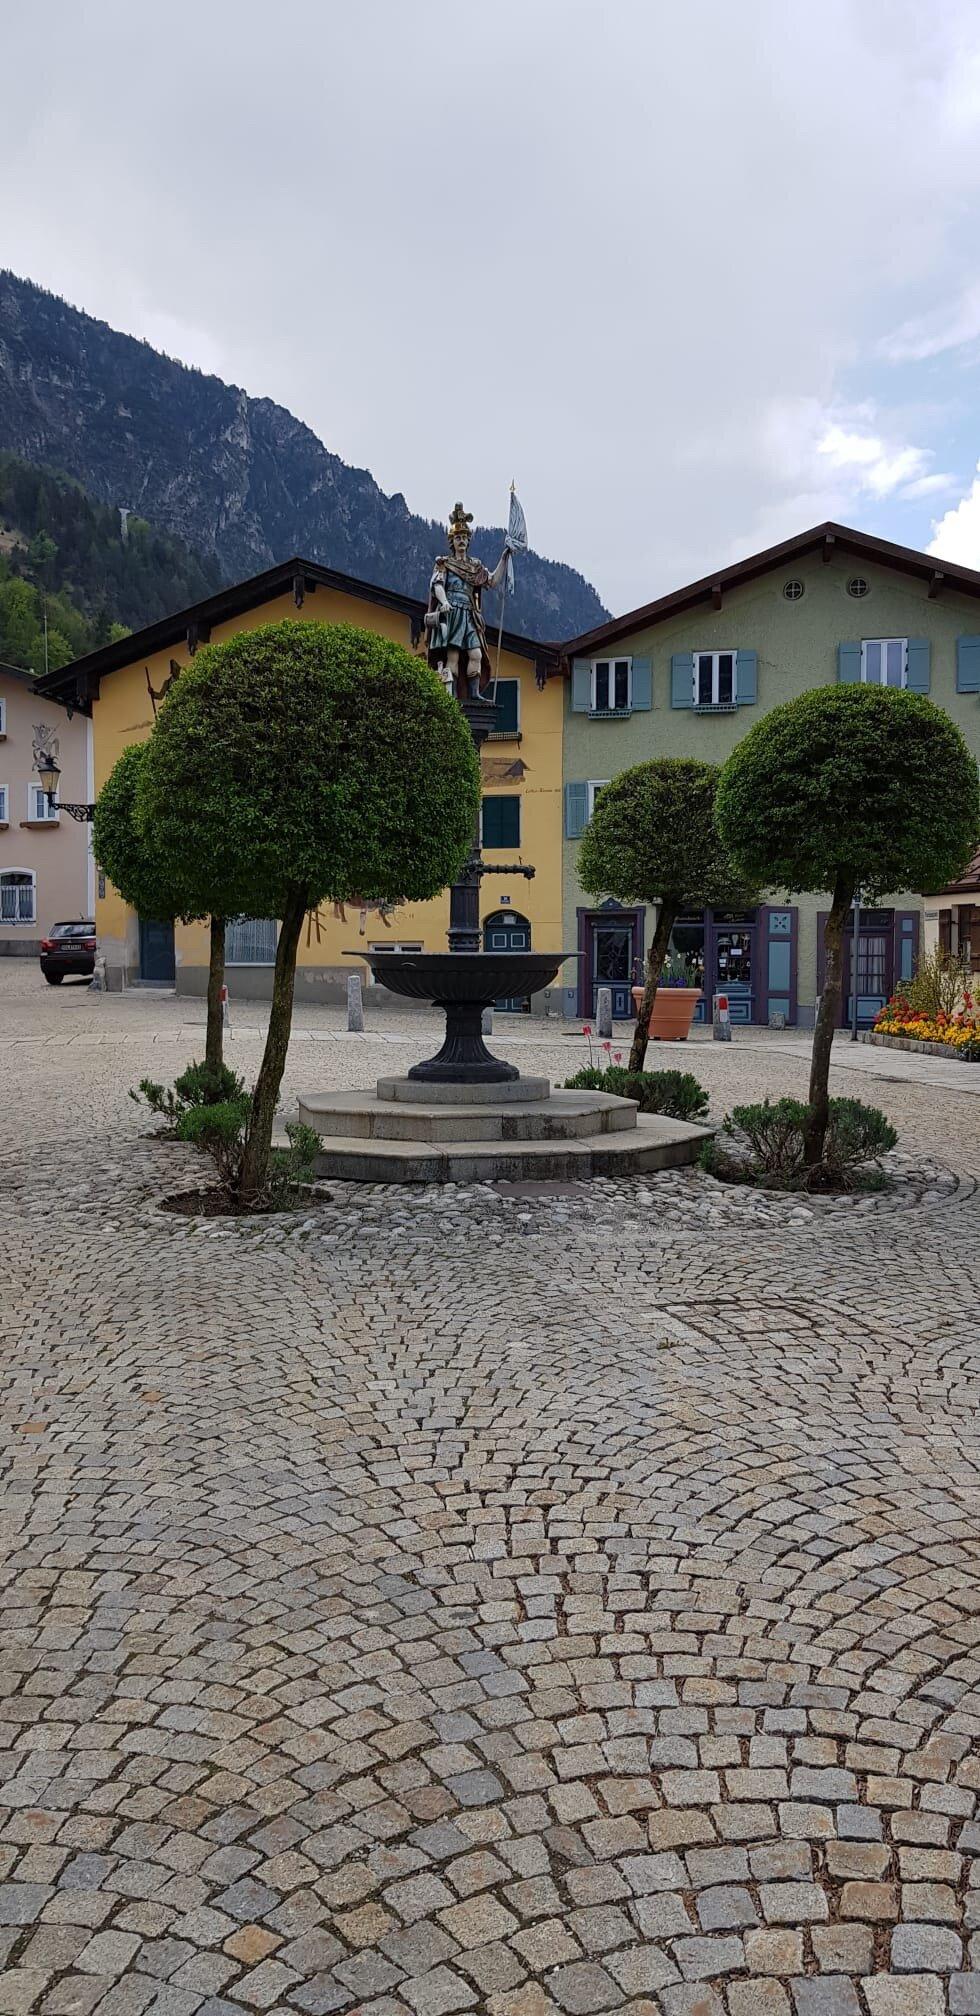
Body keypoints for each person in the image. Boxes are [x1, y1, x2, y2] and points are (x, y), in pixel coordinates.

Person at [425, 501, 509, 699]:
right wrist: (444, 601)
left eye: (464, 537)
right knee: (452, 656)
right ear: (452, 541)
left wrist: (505, 558)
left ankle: (474, 694)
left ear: (468, 541)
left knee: (476, 654)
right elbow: (437, 585)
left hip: (470, 614)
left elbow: (492, 581)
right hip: (452, 612)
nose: (461, 541)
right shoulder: (444, 564)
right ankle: (451, 695)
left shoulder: (475, 566)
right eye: (458, 537)